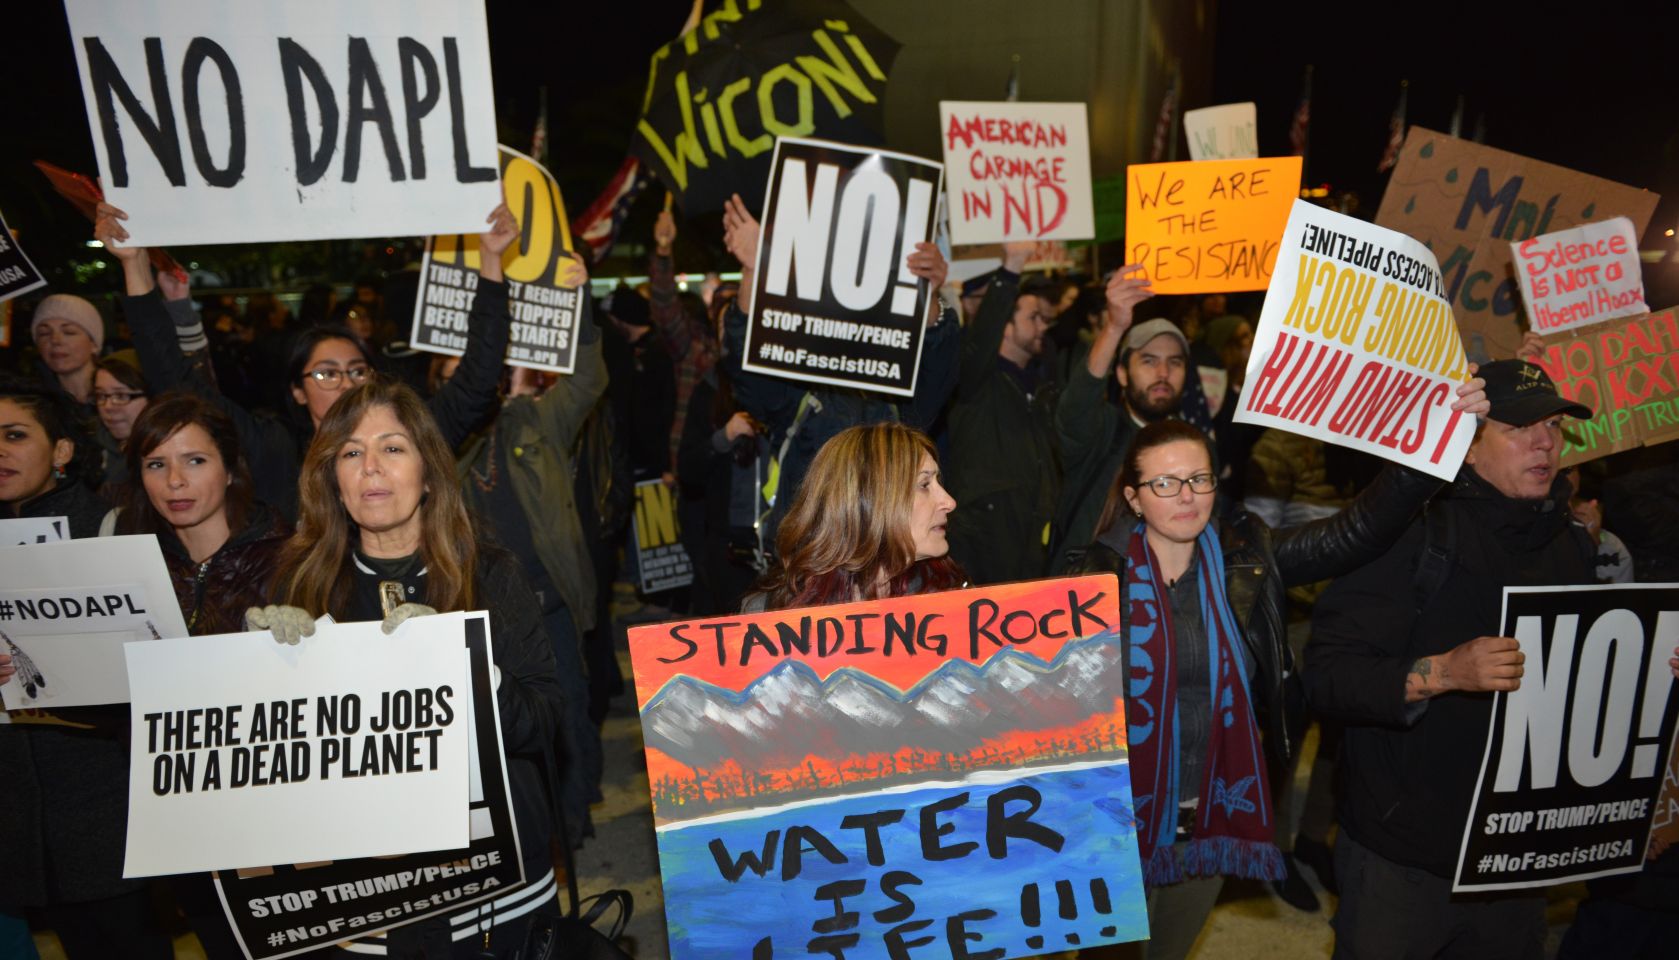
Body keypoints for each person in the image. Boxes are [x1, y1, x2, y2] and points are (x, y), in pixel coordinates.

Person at [1065, 403, 1482, 960]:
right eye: (1164, 483)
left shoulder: (1246, 558)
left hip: (1214, 816)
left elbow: (1354, 533)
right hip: (1114, 825)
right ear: (1134, 496)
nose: (1186, 495)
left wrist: (1437, 438)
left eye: (1198, 478)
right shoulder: (1090, 580)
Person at [1305, 359, 1645, 960]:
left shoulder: (1569, 542)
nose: (1544, 442)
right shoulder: (1413, 532)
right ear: (1466, 446)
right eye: (1519, 428)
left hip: (1514, 862)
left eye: (1554, 427)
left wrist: (1647, 678)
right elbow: (1326, 677)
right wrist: (1443, 673)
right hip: (1406, 862)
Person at [245, 378, 566, 955]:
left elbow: (541, 724)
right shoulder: (301, 585)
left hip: (492, 892)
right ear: (331, 481)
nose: (371, 468)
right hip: (372, 900)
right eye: (350, 453)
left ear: (428, 471)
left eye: (392, 448)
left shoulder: (490, 574)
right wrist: (260, 671)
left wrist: (462, 663)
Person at [94, 202, 516, 520]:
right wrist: (135, 267)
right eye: (326, 374)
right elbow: (176, 381)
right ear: (297, 391)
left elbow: (477, 380)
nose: (346, 384)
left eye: (356, 371)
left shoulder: (412, 435)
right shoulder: (273, 449)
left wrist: (492, 260)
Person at [0, 378, 168, 957]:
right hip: (24, 802)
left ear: (63, 450)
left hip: (104, 789)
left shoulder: (112, 528)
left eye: (15, 435)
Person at [455, 262, 608, 846]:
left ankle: (567, 836)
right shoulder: (441, 449)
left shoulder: (534, 421)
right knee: (503, 729)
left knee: (566, 713)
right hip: (485, 610)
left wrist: (582, 306)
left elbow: (587, 383)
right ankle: (528, 831)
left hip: (549, 605)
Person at [718, 194, 960, 557]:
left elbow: (940, 364)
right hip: (814, 568)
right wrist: (754, 270)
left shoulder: (896, 400)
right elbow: (748, 365)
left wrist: (927, 293)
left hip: (894, 563)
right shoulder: (802, 397)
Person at [112, 393, 290, 634]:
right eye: (156, 465)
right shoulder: (127, 560)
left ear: (229, 471)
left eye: (195, 461)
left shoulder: (289, 560)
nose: (174, 481)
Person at [942, 241, 1065, 584]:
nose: (1044, 326)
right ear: (1005, 326)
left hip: (1031, 536)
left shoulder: (1042, 386)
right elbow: (980, 339)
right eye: (1033, 317)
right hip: (983, 539)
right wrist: (1011, 268)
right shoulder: (977, 379)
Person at [746, 421, 960, 611]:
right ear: (872, 501)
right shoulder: (766, 620)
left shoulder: (958, 606)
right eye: (924, 485)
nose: (949, 502)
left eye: (938, 482)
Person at [90, 354, 149, 495]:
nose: (108, 406)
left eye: (121, 396)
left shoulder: (164, 453)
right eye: (101, 396)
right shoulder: (88, 443)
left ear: (151, 398)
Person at [31, 293, 104, 406]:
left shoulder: (124, 394)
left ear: (93, 344)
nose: (55, 340)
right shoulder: (32, 404)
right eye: (44, 334)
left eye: (69, 332)